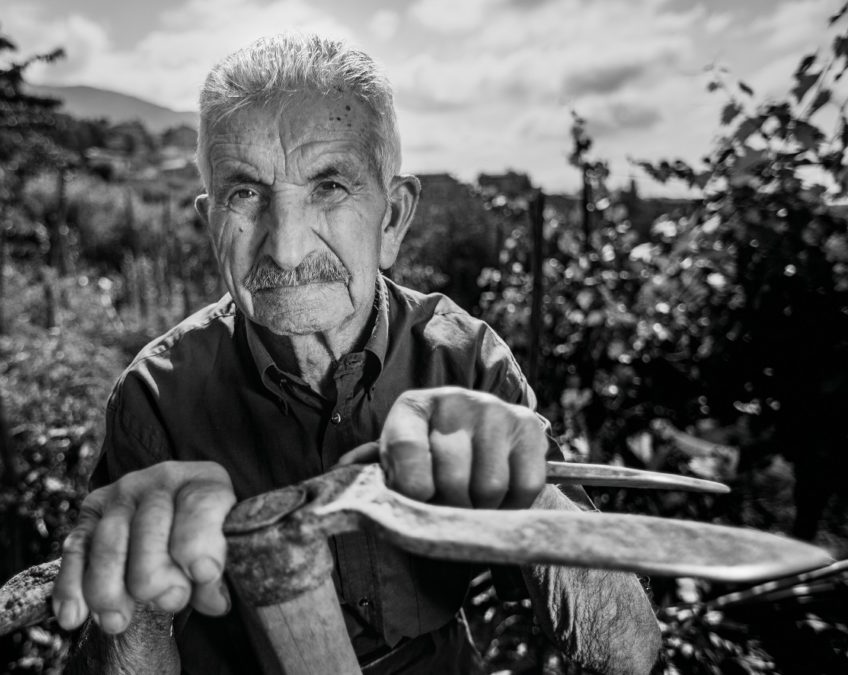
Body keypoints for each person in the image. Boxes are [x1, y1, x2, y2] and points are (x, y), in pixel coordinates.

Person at [51, 33, 661, 674]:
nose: (284, 250)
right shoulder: (157, 399)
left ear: (393, 218)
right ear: (211, 224)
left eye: (329, 187)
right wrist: (133, 585)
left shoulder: (461, 362)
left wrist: (530, 496)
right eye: (246, 194)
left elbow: (627, 655)